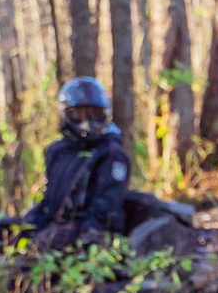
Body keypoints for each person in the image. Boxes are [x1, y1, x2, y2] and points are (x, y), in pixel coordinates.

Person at [18, 77, 133, 253]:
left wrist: (87, 234)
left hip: (89, 231)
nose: (88, 121)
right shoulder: (57, 151)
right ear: (67, 114)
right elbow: (50, 199)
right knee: (2, 232)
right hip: (54, 225)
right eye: (80, 114)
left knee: (39, 249)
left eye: (94, 113)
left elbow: (107, 204)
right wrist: (30, 223)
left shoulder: (112, 154)